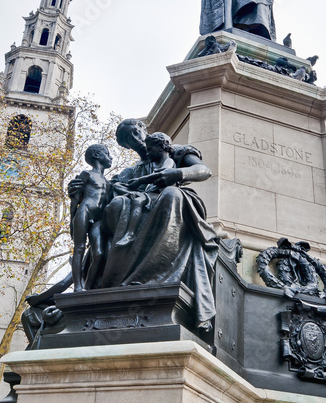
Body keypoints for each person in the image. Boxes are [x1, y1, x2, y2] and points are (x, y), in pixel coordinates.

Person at [98, 119, 220, 330]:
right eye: (129, 139)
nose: (136, 139)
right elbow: (111, 188)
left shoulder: (176, 152)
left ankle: (153, 276)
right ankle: (118, 283)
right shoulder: (133, 170)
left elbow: (204, 170)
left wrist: (177, 174)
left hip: (176, 198)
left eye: (136, 132)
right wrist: (86, 184)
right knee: (116, 205)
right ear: (127, 146)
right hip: (142, 203)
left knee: (171, 195)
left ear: (143, 129)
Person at [68, 143, 112, 292]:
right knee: (79, 248)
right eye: (107, 153)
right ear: (97, 156)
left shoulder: (108, 182)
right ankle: (77, 287)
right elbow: (75, 198)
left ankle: (87, 287)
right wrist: (72, 220)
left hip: (98, 219)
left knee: (98, 253)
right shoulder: (87, 174)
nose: (110, 157)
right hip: (85, 211)